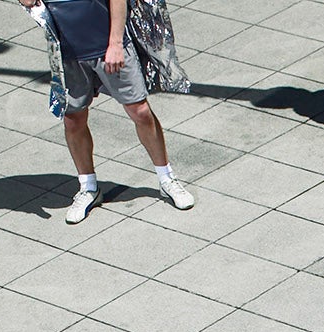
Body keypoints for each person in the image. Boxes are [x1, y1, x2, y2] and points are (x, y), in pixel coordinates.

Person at [18, 0, 194, 221]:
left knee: (140, 111)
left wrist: (116, 44)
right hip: (68, 50)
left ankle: (167, 179)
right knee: (73, 120)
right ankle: (88, 187)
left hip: (107, 44)